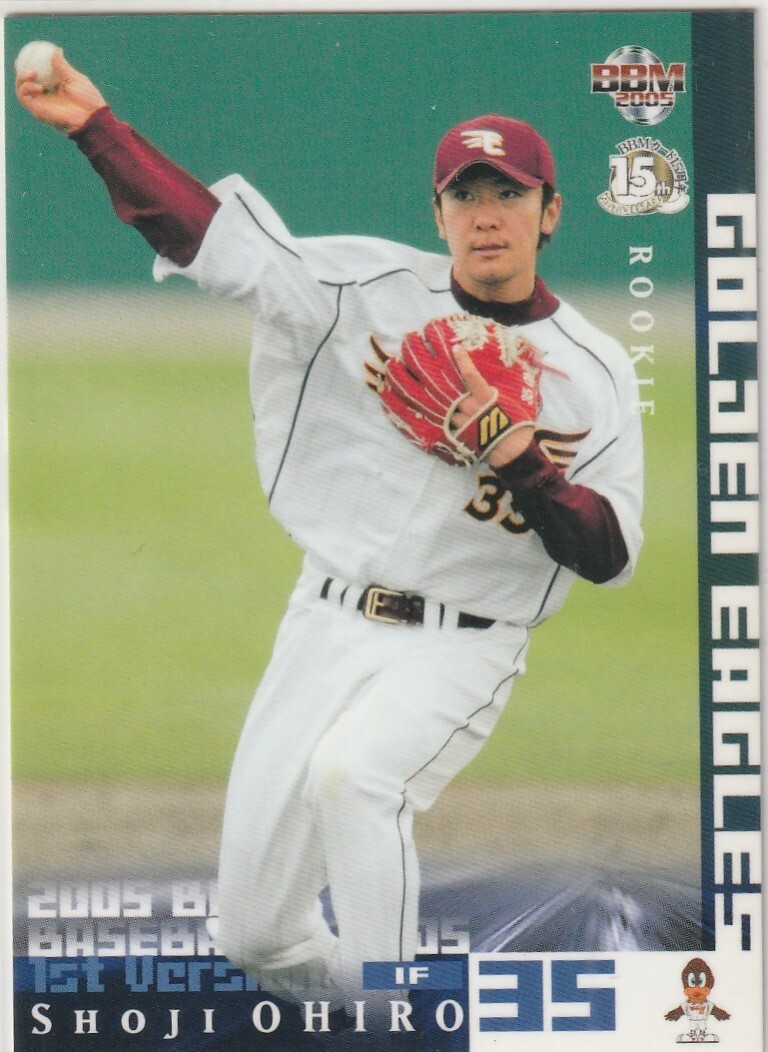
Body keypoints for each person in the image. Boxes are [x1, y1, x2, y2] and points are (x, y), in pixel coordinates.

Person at [17, 49, 643, 1036]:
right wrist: (99, 129)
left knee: (357, 778)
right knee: (257, 935)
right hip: (324, 622)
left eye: (509, 194)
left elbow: (608, 554)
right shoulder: (366, 289)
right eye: (466, 195)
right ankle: (357, 1008)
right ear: (439, 213)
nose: (486, 215)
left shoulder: (596, 371)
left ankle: (393, 1022)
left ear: (550, 212)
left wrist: (524, 460)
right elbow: (213, 240)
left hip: (460, 645)